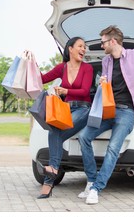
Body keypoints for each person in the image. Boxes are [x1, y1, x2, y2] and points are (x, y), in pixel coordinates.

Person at [78, 25, 134, 205]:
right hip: (107, 109)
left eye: (103, 42)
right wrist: (102, 82)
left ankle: (96, 189)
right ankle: (91, 180)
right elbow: (105, 83)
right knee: (84, 137)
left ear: (113, 41)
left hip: (126, 111)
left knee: (113, 148)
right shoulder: (106, 61)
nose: (102, 46)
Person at [36, 37, 93, 199]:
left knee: (56, 130)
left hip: (83, 108)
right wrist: (31, 62)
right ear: (70, 49)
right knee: (54, 131)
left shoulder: (87, 68)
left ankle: (48, 182)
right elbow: (41, 79)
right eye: (80, 46)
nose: (84, 49)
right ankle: (52, 173)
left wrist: (65, 91)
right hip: (66, 109)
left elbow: (85, 91)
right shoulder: (62, 67)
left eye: (85, 47)